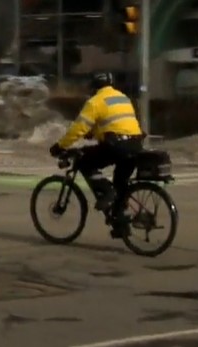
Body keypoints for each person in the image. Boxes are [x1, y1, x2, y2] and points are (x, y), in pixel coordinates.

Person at [48, 72, 144, 239]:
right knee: (120, 182)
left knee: (85, 163)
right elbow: (117, 122)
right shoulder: (122, 97)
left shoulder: (95, 102)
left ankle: (106, 192)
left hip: (117, 146)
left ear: (94, 87)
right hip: (136, 144)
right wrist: (95, 132)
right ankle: (120, 222)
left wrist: (59, 146)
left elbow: (78, 128)